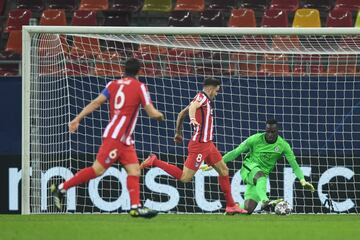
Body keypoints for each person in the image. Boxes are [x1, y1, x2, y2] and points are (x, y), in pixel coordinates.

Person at [51, 58, 164, 218]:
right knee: (97, 170)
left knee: (134, 170)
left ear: (123, 70)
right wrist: (161, 116)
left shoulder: (112, 84)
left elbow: (96, 102)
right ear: (139, 72)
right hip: (116, 138)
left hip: (124, 139)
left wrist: (78, 118)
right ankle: (61, 188)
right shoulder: (140, 87)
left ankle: (135, 207)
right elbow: (152, 112)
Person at [140, 77, 248, 214]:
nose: (217, 93)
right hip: (199, 145)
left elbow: (180, 114)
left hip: (208, 144)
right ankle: (154, 161)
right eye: (217, 91)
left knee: (224, 170)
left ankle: (231, 205)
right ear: (211, 88)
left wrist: (178, 133)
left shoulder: (203, 99)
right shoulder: (201, 98)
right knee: (185, 178)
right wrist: (192, 119)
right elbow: (192, 107)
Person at [202, 119, 315, 214]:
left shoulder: (283, 146)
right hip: (249, 168)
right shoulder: (255, 139)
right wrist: (216, 163)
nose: (270, 134)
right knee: (260, 177)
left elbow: (294, 165)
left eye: (273, 132)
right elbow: (236, 152)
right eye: (268, 131)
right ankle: (265, 201)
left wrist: (302, 180)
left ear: (277, 131)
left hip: (261, 177)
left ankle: (232, 210)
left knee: (248, 208)